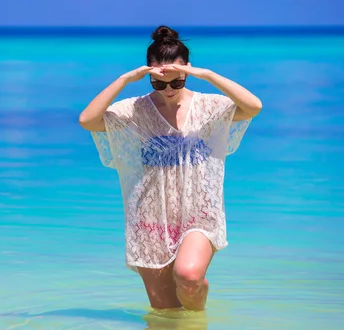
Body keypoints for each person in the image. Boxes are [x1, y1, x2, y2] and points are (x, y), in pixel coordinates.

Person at [78, 25, 262, 312]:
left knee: (188, 278)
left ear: (186, 73)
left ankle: (199, 308)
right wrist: (126, 78)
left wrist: (208, 75)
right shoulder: (134, 110)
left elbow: (253, 107)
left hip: (198, 213)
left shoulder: (209, 106)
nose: (169, 90)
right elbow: (88, 120)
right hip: (150, 220)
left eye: (177, 82)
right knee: (165, 313)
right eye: (160, 84)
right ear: (150, 77)